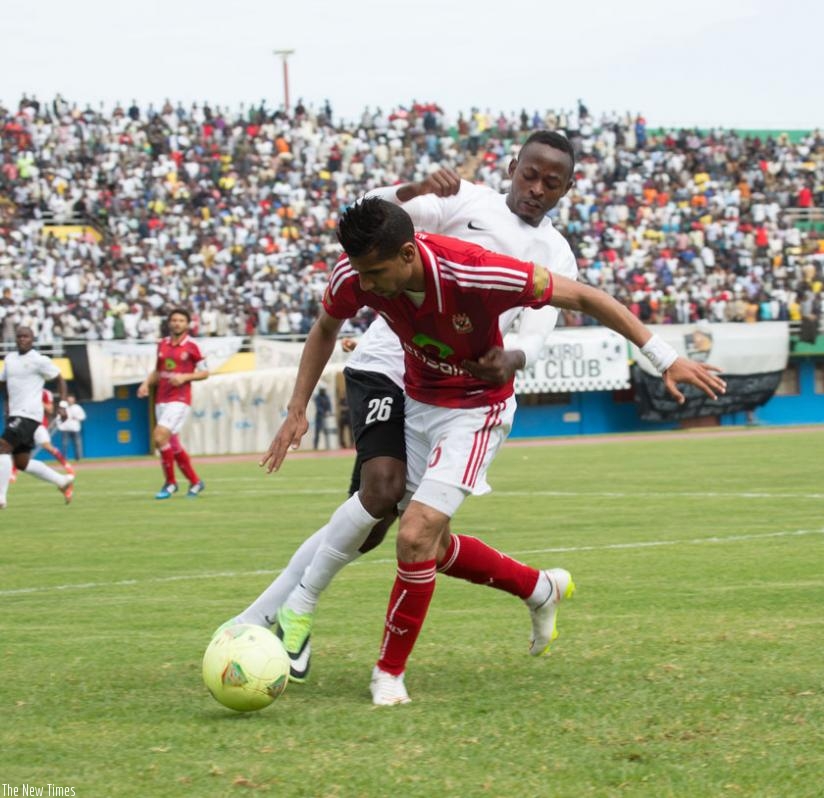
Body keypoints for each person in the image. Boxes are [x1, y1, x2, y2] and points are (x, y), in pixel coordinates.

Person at [261, 198, 726, 705]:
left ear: (409, 252)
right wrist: (296, 408)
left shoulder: (477, 272)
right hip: (418, 404)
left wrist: (664, 357)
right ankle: (538, 587)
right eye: (361, 274)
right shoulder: (354, 275)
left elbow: (586, 297)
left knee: (413, 535)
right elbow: (325, 328)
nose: (366, 287)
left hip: (475, 413)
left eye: (376, 273)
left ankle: (386, 673)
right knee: (431, 547)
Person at [232, 132, 580, 682]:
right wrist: (415, 187)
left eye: (550, 183)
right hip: (385, 364)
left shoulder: (557, 255)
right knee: (380, 501)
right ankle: (268, 616)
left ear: (567, 188)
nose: (536, 189)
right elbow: (372, 218)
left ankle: (537, 587)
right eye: (528, 175)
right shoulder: (466, 200)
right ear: (512, 168)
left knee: (418, 537)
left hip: (452, 392)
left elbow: (535, 333)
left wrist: (513, 357)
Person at [0, 326, 76, 509]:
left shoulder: (39, 360)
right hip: (15, 415)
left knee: (2, 447)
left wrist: (63, 405)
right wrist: (7, 406)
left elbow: (60, 379)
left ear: (32, 339)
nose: (22, 339)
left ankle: (0, 497)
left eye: (26, 336)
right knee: (21, 462)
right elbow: (4, 383)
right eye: (19, 337)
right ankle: (62, 480)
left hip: (29, 414)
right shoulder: (10, 360)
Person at [137, 308, 209, 499]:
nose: (177, 323)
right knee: (171, 443)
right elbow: (158, 371)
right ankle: (195, 482)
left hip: (180, 399)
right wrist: (145, 384)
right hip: (161, 398)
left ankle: (170, 483)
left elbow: (205, 372)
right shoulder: (162, 344)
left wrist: (185, 376)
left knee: (159, 437)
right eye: (174, 320)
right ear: (169, 323)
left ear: (187, 324)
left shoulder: (193, 346)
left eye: (181, 320)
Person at [32, 389, 73, 474]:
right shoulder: (25, 391)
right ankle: (12, 474)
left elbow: (50, 410)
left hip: (39, 424)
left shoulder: (45, 393)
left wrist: (39, 401)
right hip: (25, 423)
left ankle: (66, 465)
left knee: (48, 447)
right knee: (16, 448)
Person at [56, 395, 86, 461]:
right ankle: (64, 459)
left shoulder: (78, 408)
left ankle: (79, 458)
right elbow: (58, 418)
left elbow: (83, 417)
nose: (70, 401)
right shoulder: (63, 407)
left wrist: (76, 418)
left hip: (75, 428)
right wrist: (59, 426)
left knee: (77, 443)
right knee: (64, 444)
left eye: (71, 400)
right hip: (65, 429)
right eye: (69, 400)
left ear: (74, 400)